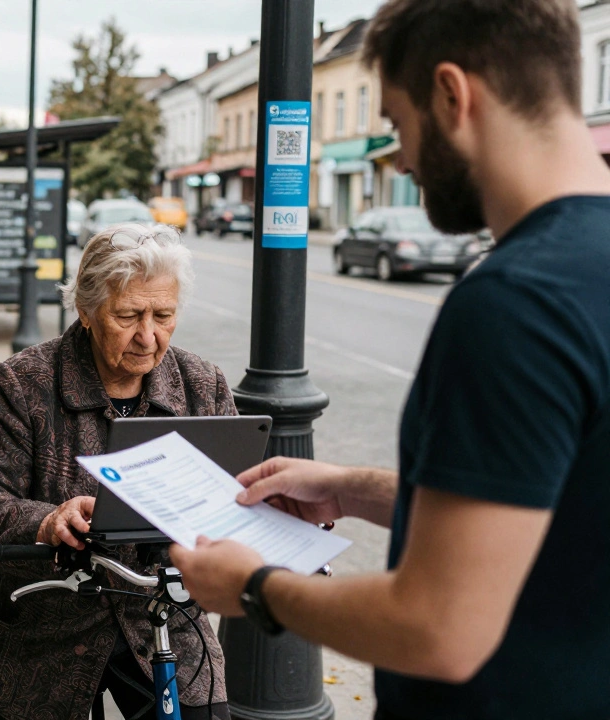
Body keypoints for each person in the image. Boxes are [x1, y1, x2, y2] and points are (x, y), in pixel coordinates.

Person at [170, 2, 610, 718]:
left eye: (399, 125)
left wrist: (256, 588)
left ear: (451, 94)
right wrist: (352, 487)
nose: (400, 158)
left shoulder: (516, 302)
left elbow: (439, 628)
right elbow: (550, 502)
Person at [0, 224, 234, 720]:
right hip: (41, 629)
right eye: (128, 316)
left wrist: (277, 516)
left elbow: (233, 495)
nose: (148, 336)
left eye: (164, 315)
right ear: (86, 311)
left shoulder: (200, 386)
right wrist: (47, 521)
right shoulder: (24, 383)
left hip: (159, 618)